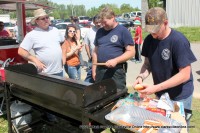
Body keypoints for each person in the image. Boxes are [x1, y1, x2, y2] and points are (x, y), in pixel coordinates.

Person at [133, 7, 196, 127]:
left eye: (155, 30)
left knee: (178, 128)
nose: (153, 33)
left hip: (180, 96)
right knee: (162, 126)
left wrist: (155, 88)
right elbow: (147, 64)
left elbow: (185, 74)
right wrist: (141, 77)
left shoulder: (178, 41)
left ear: (165, 23)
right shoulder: (149, 40)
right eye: (150, 30)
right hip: (161, 95)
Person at [18, 8, 65, 122]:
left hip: (59, 70)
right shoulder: (32, 35)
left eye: (47, 17)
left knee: (58, 94)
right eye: (42, 18)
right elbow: (21, 51)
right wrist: (34, 59)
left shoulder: (55, 30)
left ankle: (58, 113)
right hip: (45, 72)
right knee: (48, 96)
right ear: (36, 21)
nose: (46, 20)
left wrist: (63, 57)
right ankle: (50, 117)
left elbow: (63, 43)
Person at [92, 6, 135, 90]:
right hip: (100, 70)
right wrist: (94, 69)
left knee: (117, 95)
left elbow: (131, 52)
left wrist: (116, 60)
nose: (103, 25)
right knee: (100, 96)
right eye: (101, 22)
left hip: (116, 72)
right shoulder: (100, 31)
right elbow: (95, 51)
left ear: (112, 18)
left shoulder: (123, 31)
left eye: (105, 22)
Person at [84, 15, 101, 83]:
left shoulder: (105, 30)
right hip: (92, 58)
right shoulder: (89, 32)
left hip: (102, 59)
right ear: (93, 22)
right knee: (90, 76)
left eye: (99, 22)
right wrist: (89, 55)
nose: (98, 24)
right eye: (96, 22)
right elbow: (86, 44)